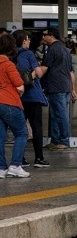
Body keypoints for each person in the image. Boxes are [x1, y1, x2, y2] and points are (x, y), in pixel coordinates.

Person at [36, 28, 75, 151]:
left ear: (51, 36)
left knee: (60, 114)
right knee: (56, 114)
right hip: (65, 86)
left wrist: (32, 76)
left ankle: (63, 140)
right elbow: (71, 72)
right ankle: (56, 140)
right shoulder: (65, 49)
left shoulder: (52, 49)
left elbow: (44, 68)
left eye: (45, 35)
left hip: (56, 86)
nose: (43, 37)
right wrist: (73, 89)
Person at [15, 30, 49, 168]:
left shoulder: (11, 56)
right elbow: (39, 73)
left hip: (18, 97)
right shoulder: (28, 54)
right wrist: (34, 71)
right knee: (36, 127)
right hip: (33, 96)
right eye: (28, 39)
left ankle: (20, 159)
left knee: (20, 129)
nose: (29, 41)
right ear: (24, 41)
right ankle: (39, 158)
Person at [0, 32, 30, 178]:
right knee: (22, 133)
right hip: (9, 102)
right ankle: (15, 165)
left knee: (0, 137)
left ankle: (1, 168)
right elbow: (19, 85)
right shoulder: (8, 65)